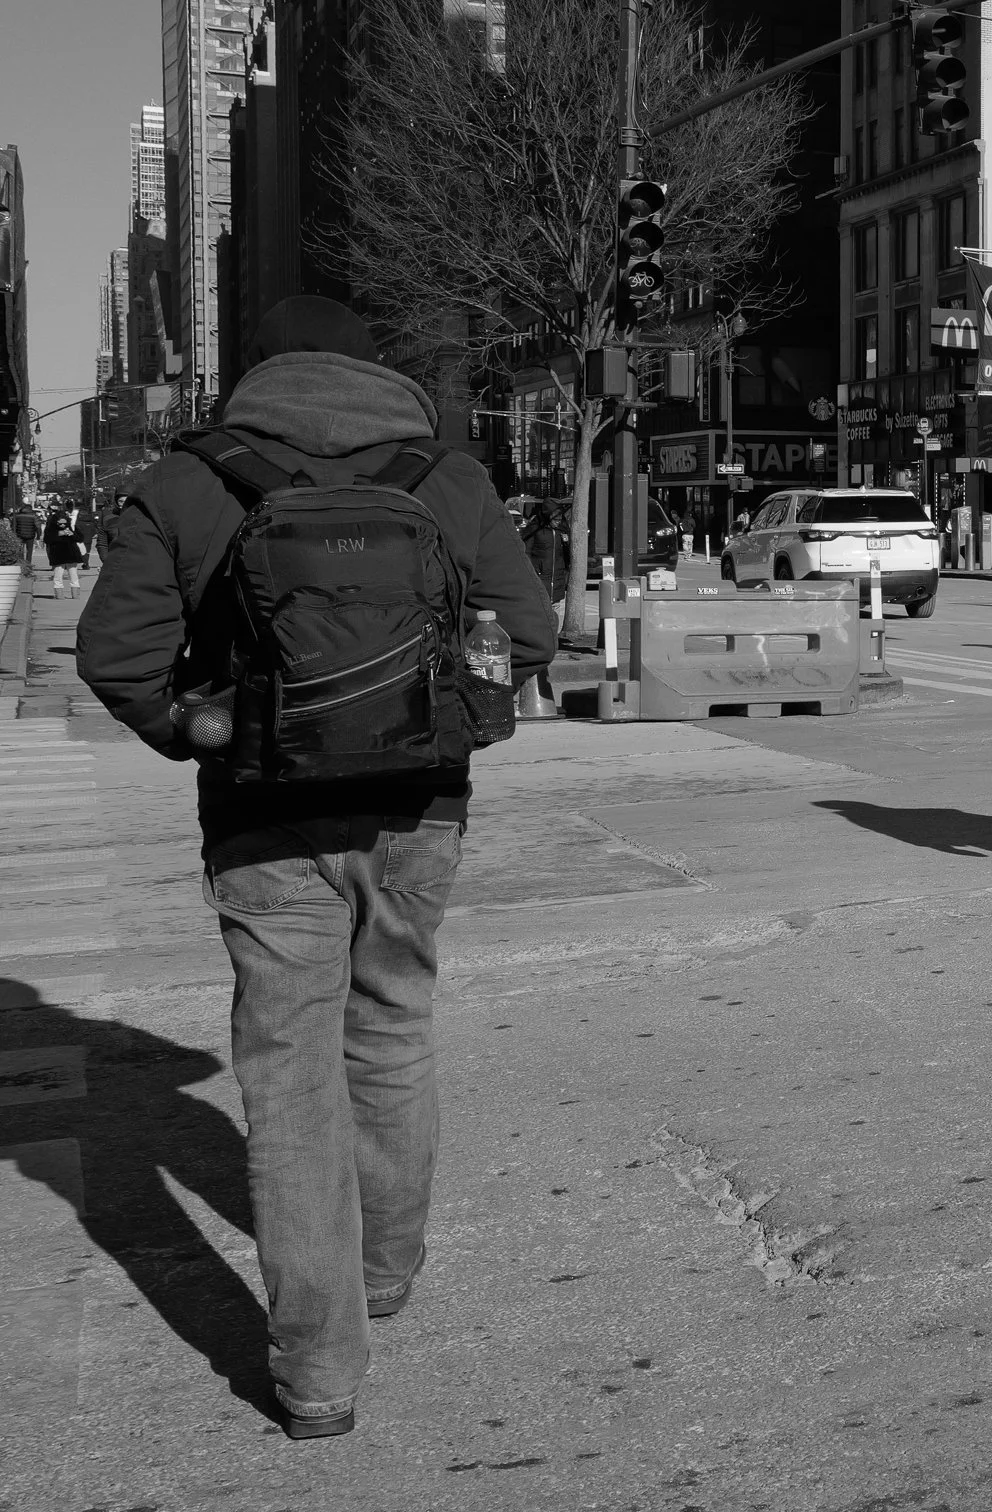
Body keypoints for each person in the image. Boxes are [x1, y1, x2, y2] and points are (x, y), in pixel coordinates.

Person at [76, 295, 555, 1440]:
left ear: (258, 370)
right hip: (417, 807)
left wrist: (203, 727)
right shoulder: (447, 476)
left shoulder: (193, 477)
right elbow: (526, 631)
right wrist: (464, 704)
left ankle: (318, 1374)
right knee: (392, 1026)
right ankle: (385, 1271)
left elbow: (114, 654)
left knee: (288, 1073)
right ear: (373, 366)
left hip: (261, 817)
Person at [44, 501, 87, 595]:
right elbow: (47, 539)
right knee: (58, 575)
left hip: (69, 553)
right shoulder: (51, 528)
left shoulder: (71, 526)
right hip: (59, 554)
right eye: (60, 522)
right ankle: (59, 594)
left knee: (73, 575)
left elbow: (80, 538)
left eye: (64, 522)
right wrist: (59, 534)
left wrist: (72, 534)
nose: (62, 524)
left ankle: (75, 594)